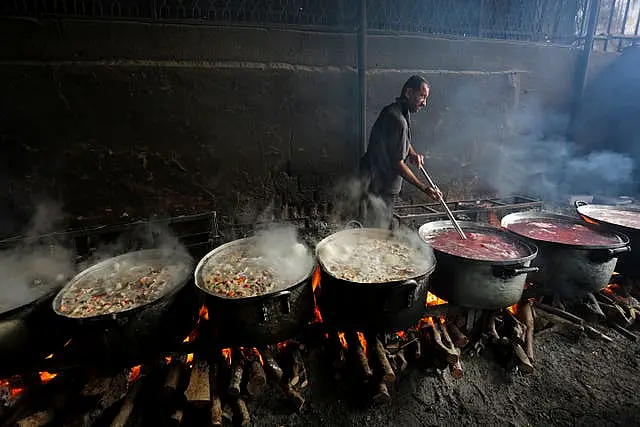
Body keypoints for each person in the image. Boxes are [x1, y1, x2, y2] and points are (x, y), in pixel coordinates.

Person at [359, 75, 442, 224]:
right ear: (409, 93)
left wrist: (412, 153)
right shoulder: (396, 119)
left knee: (380, 225)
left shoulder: (399, 111)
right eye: (422, 97)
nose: (425, 103)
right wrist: (424, 188)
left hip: (379, 181)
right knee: (378, 229)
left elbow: (401, 140)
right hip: (380, 184)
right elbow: (397, 164)